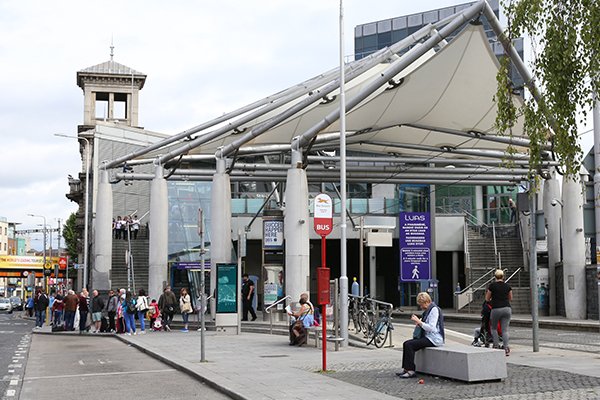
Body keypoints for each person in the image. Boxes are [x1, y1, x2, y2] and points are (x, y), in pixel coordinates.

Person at [397, 292, 444, 379]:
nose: (421, 307)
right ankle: (406, 369)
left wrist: (419, 322)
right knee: (407, 344)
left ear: (426, 302)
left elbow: (431, 328)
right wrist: (420, 323)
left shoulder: (434, 310)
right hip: (429, 337)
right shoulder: (428, 310)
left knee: (409, 344)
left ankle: (410, 370)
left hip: (434, 338)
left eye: (421, 304)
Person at [486, 269, 512, 356]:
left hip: (496, 308)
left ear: (495, 276)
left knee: (493, 328)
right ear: (503, 276)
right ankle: (506, 348)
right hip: (507, 308)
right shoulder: (508, 286)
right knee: (505, 330)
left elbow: (487, 298)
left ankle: (496, 346)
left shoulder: (492, 286)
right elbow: (510, 298)